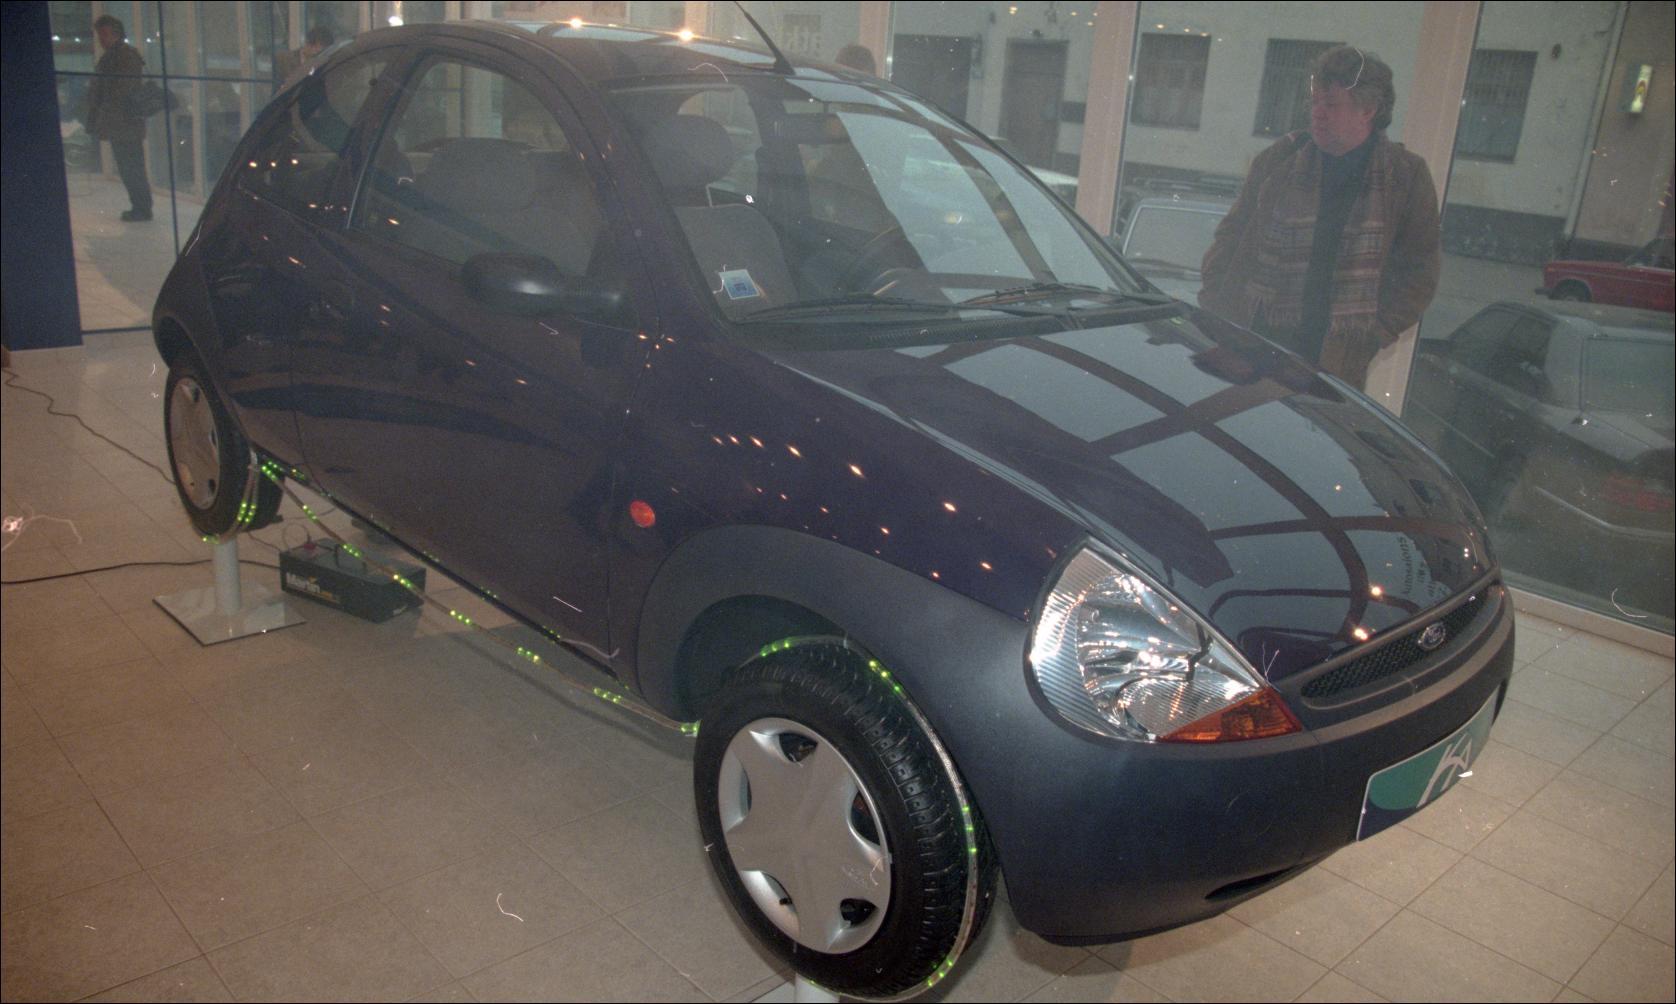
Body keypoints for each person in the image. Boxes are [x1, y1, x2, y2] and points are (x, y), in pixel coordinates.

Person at [1200, 46, 1441, 390]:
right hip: (1250, 348)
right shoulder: (1280, 160)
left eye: (1331, 105)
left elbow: (1420, 271)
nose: (1317, 113)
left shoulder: (1404, 177)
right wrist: (1217, 307)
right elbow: (1230, 237)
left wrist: (1375, 332)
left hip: (1332, 361)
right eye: (1314, 102)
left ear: (1368, 110)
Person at [85, 14, 151, 222]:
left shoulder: (124, 56)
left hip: (125, 123)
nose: (101, 40)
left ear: (116, 34)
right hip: (122, 123)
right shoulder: (117, 56)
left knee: (131, 167)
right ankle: (140, 206)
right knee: (129, 166)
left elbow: (121, 90)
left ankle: (141, 207)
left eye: (104, 35)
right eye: (100, 35)